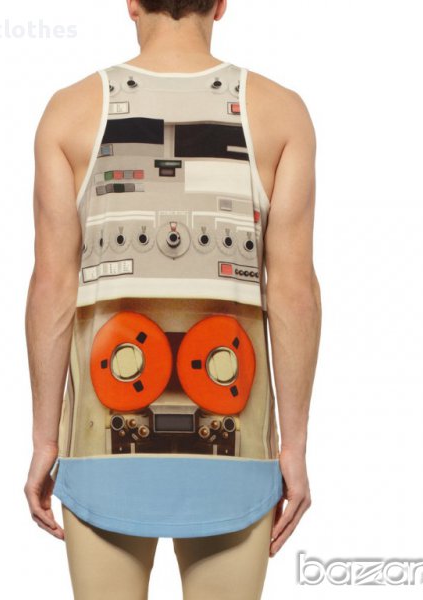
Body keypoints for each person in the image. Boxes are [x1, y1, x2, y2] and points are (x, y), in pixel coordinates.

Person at [24, 0, 321, 598]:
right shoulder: (281, 114)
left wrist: (45, 441)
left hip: (101, 448)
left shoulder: (70, 112)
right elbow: (292, 291)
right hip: (235, 453)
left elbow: (52, 286)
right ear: (221, 5)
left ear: (131, 4)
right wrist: (293, 445)